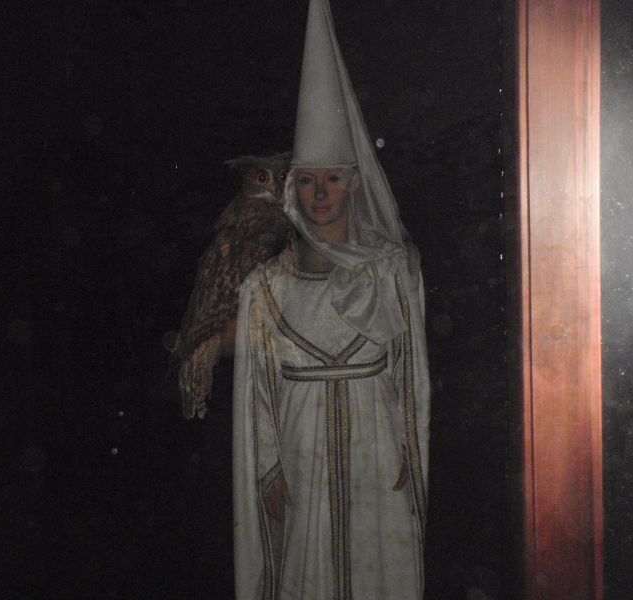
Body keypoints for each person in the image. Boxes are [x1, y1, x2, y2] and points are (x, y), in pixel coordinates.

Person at [232, 1, 430, 599]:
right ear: (292, 188)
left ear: (354, 183)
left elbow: (411, 371)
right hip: (302, 454)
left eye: (333, 179)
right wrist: (269, 463)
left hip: (377, 453)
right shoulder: (264, 288)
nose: (321, 194)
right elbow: (258, 387)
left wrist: (409, 445)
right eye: (308, 180)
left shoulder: (392, 271)